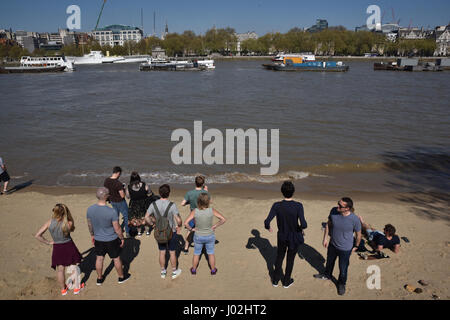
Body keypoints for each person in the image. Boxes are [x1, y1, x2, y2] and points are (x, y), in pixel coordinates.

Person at [314, 197, 362, 296]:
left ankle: (341, 284)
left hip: (345, 249)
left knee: (343, 269)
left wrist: (356, 246)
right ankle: (327, 275)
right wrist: (325, 238)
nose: (337, 206)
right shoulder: (333, 211)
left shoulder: (355, 219)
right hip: (332, 245)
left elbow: (359, 234)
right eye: (338, 204)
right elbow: (328, 224)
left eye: (340, 206)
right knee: (329, 262)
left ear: (347, 208)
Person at [264, 181, 307, 289]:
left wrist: (268, 227)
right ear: (293, 192)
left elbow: (267, 221)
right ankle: (286, 281)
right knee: (290, 259)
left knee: (279, 257)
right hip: (294, 236)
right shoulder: (298, 206)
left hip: (282, 235)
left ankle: (275, 280)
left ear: (282, 192)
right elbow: (304, 224)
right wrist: (300, 229)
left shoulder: (277, 205)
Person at [35, 203, 84, 296]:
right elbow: (72, 229)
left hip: (57, 246)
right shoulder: (69, 222)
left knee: (60, 270)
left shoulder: (49, 222)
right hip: (69, 245)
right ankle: (76, 287)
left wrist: (48, 242)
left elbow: (37, 235)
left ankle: (63, 290)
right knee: (73, 267)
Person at [87, 187, 131, 285]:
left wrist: (92, 235)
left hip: (98, 238)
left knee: (99, 258)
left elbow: (90, 224)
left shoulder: (90, 209)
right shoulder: (111, 211)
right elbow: (117, 228)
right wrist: (122, 238)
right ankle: (121, 277)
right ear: (106, 196)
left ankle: (99, 278)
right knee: (116, 258)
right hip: (111, 239)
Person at [145, 184, 183, 280]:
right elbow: (178, 220)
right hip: (171, 231)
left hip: (159, 231)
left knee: (162, 252)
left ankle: (163, 271)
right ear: (168, 193)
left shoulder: (153, 204)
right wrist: (179, 225)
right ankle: (174, 271)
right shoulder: (172, 205)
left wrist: (152, 224)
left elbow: (146, 217)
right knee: (172, 252)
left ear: (159, 193)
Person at [184, 192, 226, 275]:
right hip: (209, 235)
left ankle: (194, 269)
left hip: (198, 235)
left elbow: (185, 223)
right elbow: (223, 219)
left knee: (196, 253)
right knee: (210, 253)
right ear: (208, 201)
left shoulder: (195, 211)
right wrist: (215, 226)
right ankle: (213, 270)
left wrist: (191, 229)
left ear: (198, 201)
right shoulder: (211, 210)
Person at [180, 175, 208, 254]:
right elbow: (209, 202)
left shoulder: (190, 193)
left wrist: (189, 202)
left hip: (193, 215)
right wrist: (206, 191)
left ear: (195, 183)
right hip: (202, 214)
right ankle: (202, 247)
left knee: (189, 231)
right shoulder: (205, 193)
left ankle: (186, 248)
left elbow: (182, 203)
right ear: (203, 184)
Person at [125, 171, 154, 236]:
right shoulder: (144, 185)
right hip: (144, 204)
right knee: (146, 217)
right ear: (139, 178)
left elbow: (128, 197)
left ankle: (139, 232)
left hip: (134, 205)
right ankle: (147, 232)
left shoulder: (128, 187)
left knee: (137, 219)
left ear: (131, 179)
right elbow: (149, 193)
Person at [104, 166, 130, 236]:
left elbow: (106, 191)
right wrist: (123, 188)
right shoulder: (118, 183)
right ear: (118, 173)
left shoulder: (106, 181)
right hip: (120, 201)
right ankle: (127, 231)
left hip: (112, 201)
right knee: (126, 215)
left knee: (116, 216)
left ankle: (116, 229)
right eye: (120, 174)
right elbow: (122, 196)